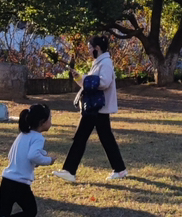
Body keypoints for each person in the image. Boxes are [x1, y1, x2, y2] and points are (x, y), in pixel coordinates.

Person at [54, 35, 127, 183]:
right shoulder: (100, 62)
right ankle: (120, 170)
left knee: (81, 137)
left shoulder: (105, 63)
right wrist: (80, 78)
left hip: (96, 107)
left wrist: (85, 78)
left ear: (97, 48)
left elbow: (104, 82)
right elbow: (92, 83)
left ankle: (69, 171)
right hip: (97, 107)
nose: (88, 51)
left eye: (89, 48)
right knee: (105, 138)